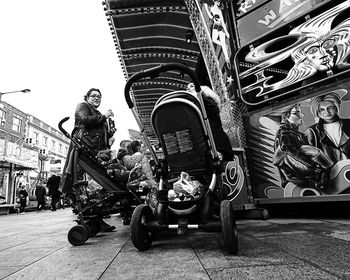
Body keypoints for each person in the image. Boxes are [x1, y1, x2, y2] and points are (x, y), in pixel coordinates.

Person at [59, 88, 116, 231]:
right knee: (87, 186)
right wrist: (104, 116)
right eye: (94, 96)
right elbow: (85, 120)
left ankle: (97, 219)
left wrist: (109, 134)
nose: (97, 98)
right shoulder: (82, 106)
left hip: (93, 152)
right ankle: (89, 218)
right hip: (84, 151)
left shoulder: (96, 113)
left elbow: (98, 133)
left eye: (99, 97)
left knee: (96, 187)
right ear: (87, 97)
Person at [272, 104, 333, 189]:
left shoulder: (297, 134)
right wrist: (315, 170)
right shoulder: (285, 133)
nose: (302, 115)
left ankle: (331, 170)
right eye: (297, 113)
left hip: (304, 178)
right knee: (311, 151)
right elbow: (290, 155)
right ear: (285, 117)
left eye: (300, 112)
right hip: (298, 179)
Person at [187, 83, 234, 161]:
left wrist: (199, 94)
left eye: (192, 86)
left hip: (219, 146)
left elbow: (212, 108)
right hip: (206, 148)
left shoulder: (208, 102)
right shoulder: (193, 107)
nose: (188, 88)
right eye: (187, 87)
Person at [305, 92, 350, 164]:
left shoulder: (348, 123)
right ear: (316, 112)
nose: (327, 112)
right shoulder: (311, 131)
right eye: (322, 109)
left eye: (330, 107)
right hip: (329, 173)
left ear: (336, 107)